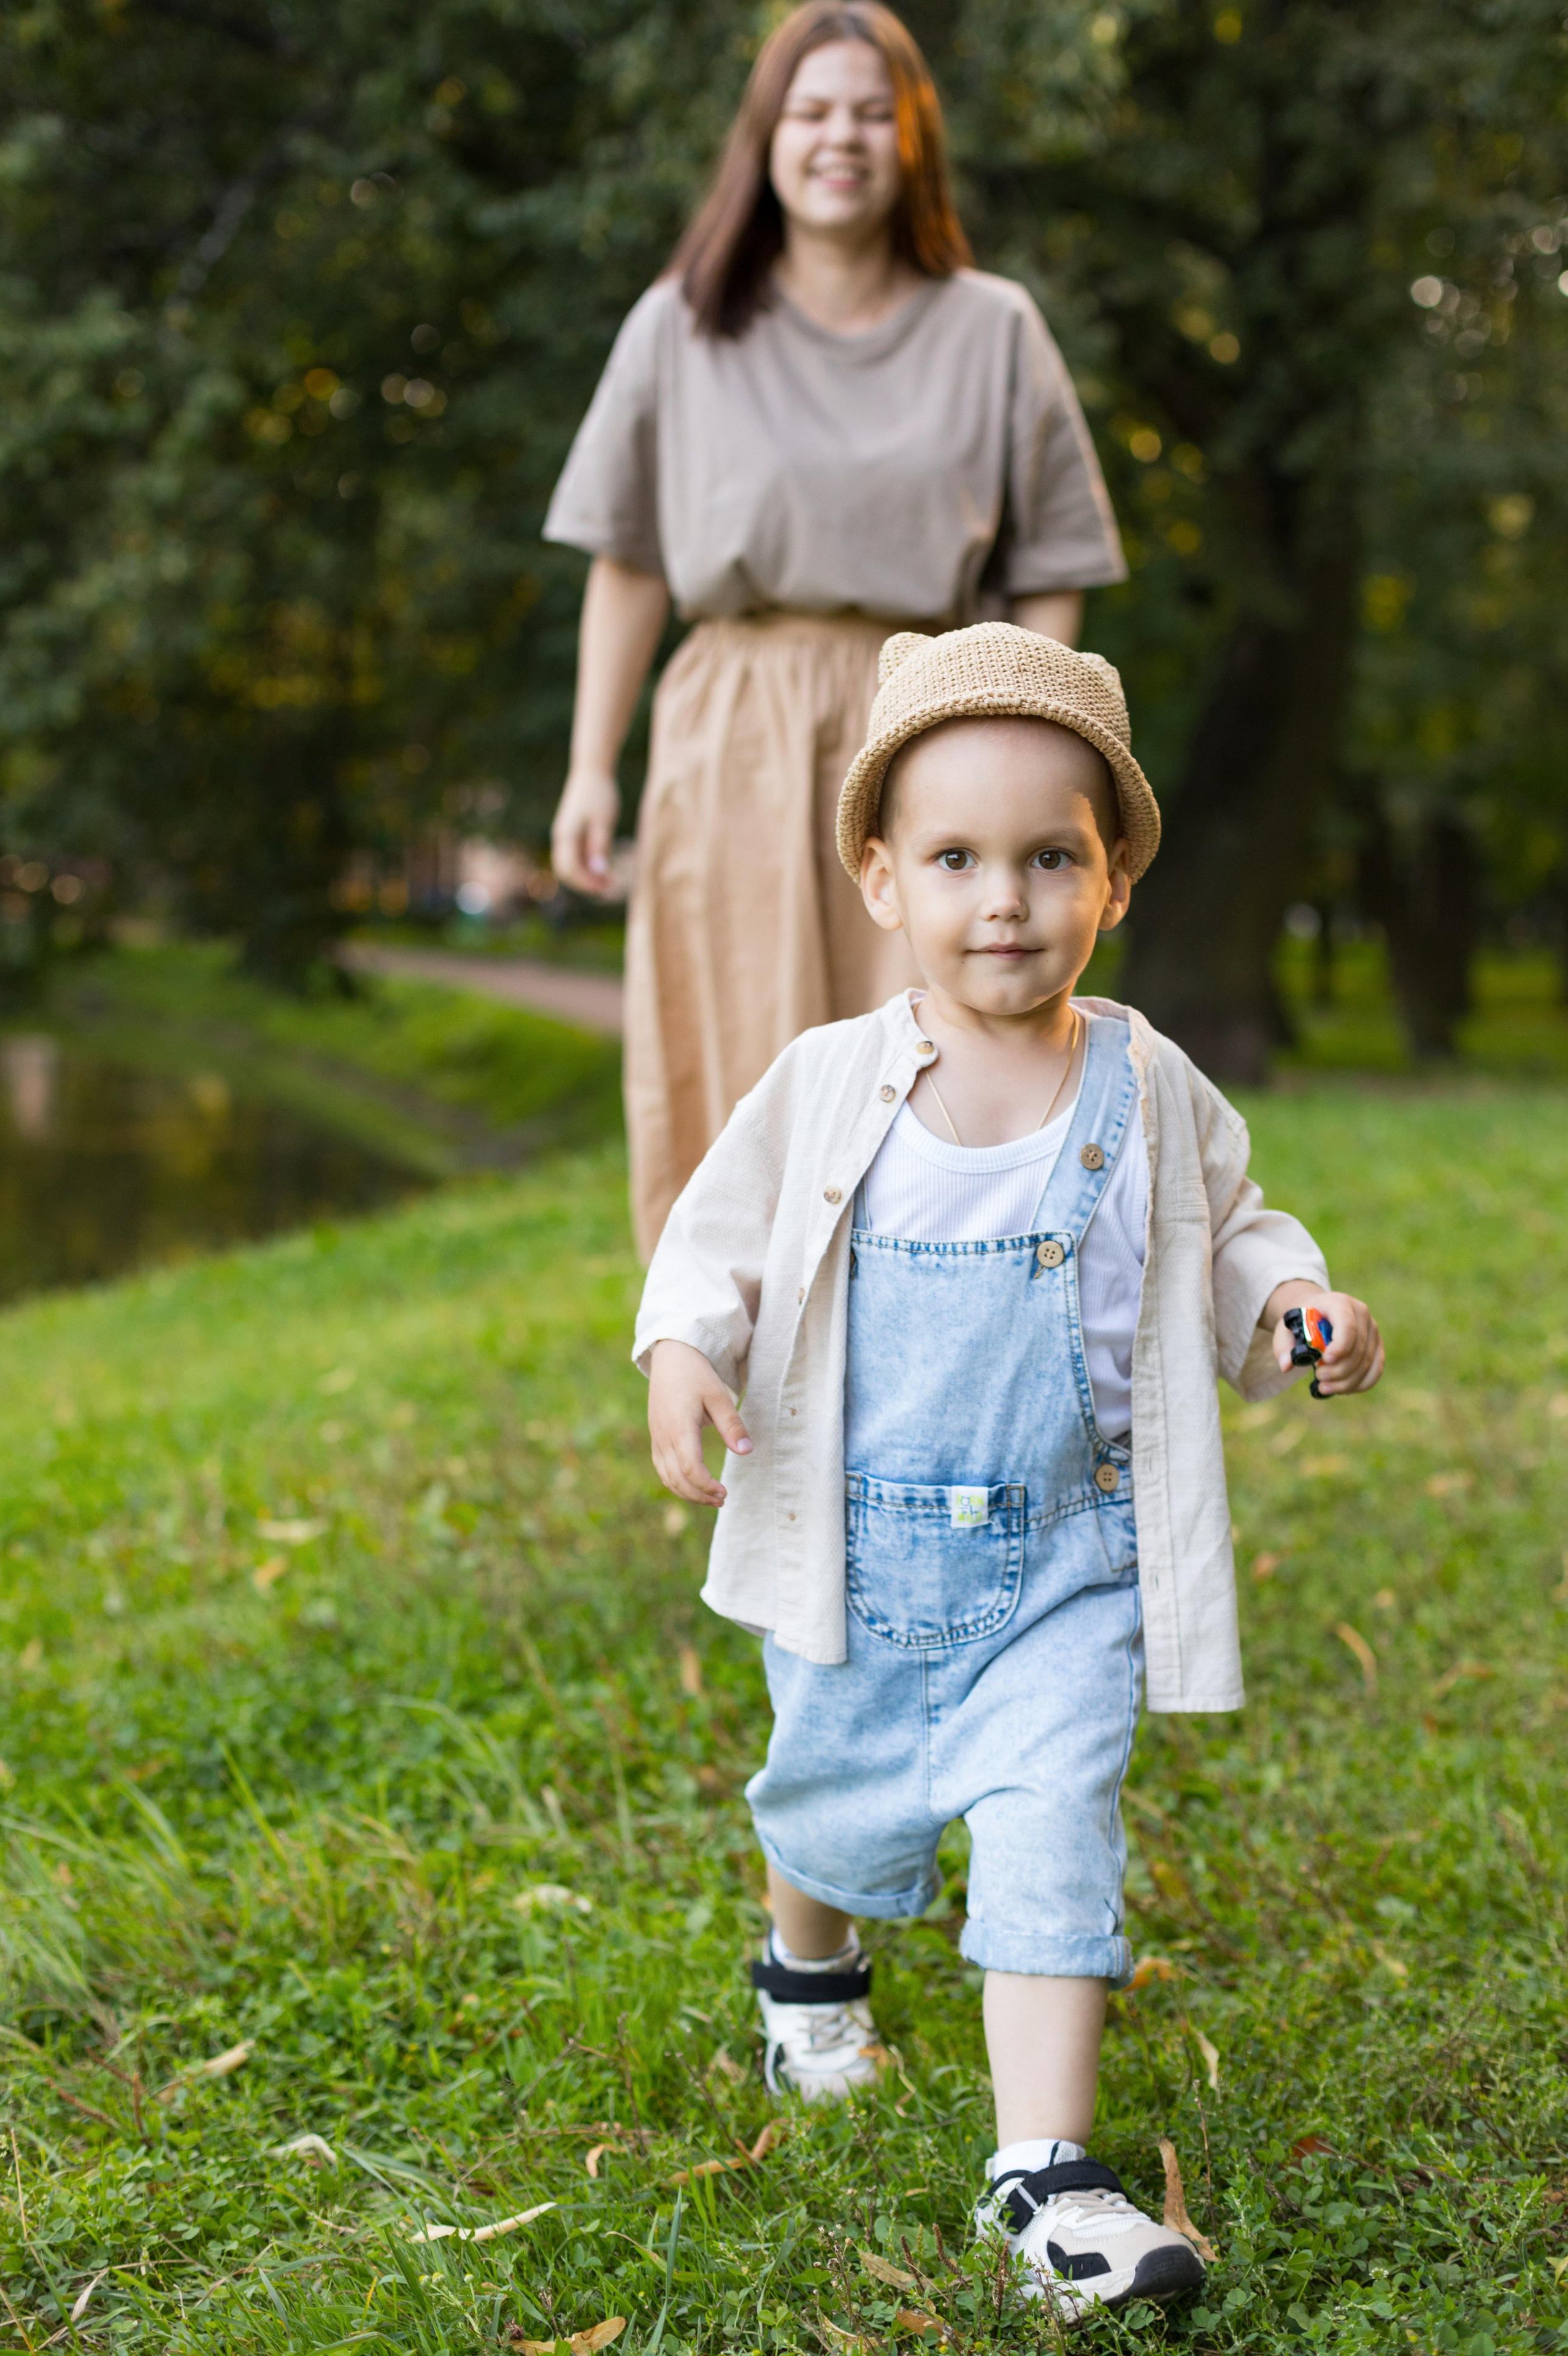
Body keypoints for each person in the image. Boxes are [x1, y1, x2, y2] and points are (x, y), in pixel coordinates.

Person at [632, 623, 1385, 2316]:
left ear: (1111, 875)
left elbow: (1231, 1239)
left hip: (1068, 1561)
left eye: (1053, 856)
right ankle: (808, 1980)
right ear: (882, 877)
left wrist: (1294, 1302)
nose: (1006, 900)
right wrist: (687, 1342)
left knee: (1057, 1828)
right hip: (854, 1543)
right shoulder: (831, 1083)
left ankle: (1045, 2172)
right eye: (959, 859)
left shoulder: (1146, 1085)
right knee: (830, 1793)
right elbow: (721, 1235)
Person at [543, 1, 1126, 1259]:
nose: (840, 139)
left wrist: (1021, 741)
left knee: (934, 1057)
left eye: (872, 112)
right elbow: (629, 559)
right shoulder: (680, 326)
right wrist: (592, 766)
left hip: (931, 726)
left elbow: (1054, 566)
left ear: (912, 139)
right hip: (733, 721)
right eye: (811, 112)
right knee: (742, 1049)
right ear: (764, 138)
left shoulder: (993, 327)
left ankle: (938, 1360)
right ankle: (733, 1378)